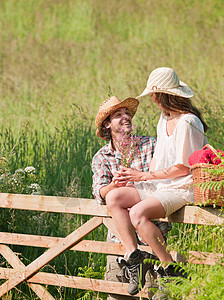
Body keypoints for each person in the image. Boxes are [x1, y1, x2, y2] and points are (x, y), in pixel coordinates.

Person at [105, 67, 208, 296]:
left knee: (138, 213)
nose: (151, 99)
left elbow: (183, 166)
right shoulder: (164, 119)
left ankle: (170, 266)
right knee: (115, 197)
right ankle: (134, 256)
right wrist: (135, 177)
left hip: (181, 186)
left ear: (163, 95)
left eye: (153, 94)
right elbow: (161, 157)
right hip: (160, 183)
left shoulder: (188, 122)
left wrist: (142, 176)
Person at [91, 96, 172, 300]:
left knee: (157, 295)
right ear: (107, 124)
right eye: (118, 115)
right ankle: (132, 254)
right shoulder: (102, 156)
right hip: (118, 242)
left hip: (153, 238)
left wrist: (138, 181)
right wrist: (115, 185)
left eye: (127, 113)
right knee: (118, 297)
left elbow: (165, 184)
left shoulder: (151, 145)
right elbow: (99, 193)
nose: (125, 117)